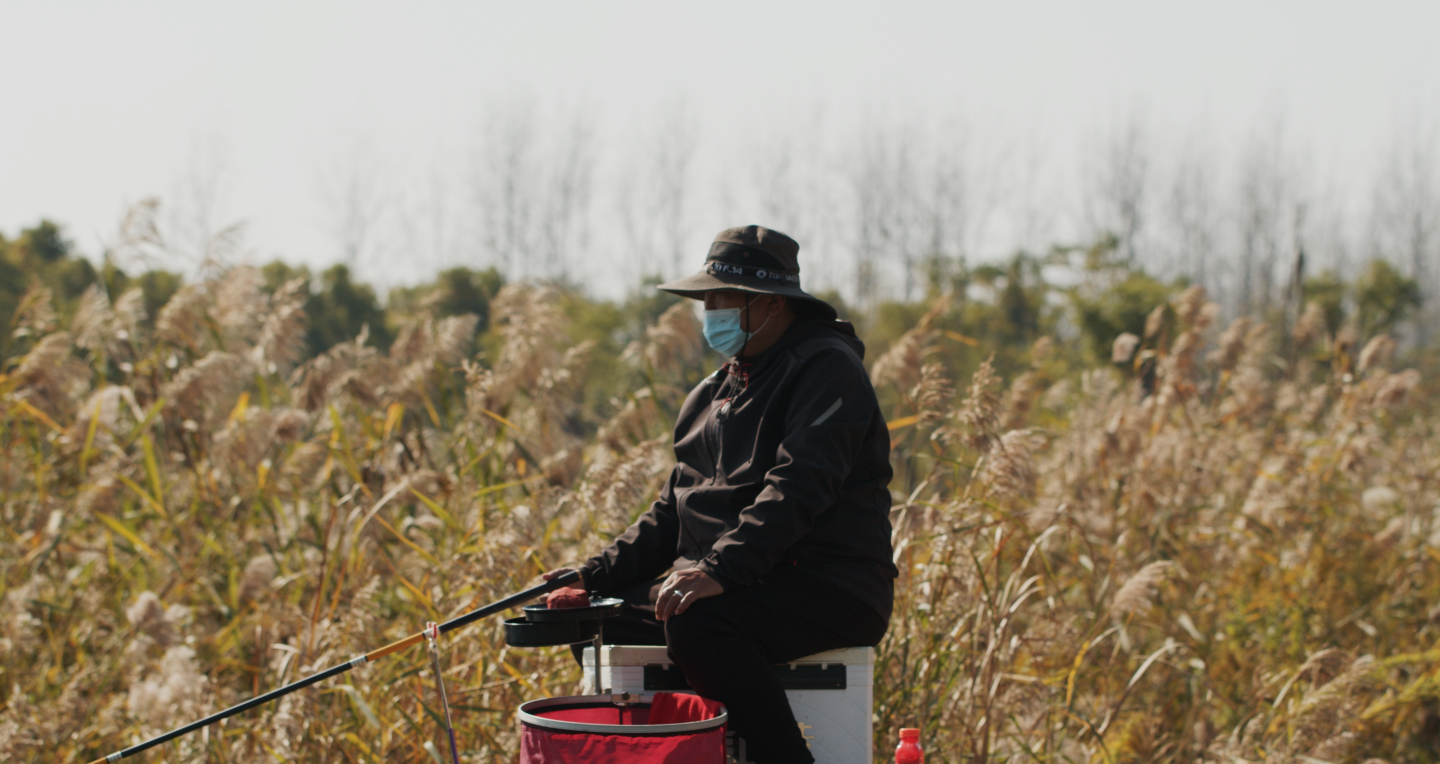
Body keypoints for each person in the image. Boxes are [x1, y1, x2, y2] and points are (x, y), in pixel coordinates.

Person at [544, 225, 896, 764]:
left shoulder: (827, 368)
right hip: (743, 581)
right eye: (704, 299)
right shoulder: (715, 391)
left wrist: (718, 571)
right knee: (595, 616)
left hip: (831, 582)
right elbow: (672, 511)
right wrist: (592, 576)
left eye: (720, 298)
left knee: (698, 622)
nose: (709, 311)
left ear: (773, 303)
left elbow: (799, 485)